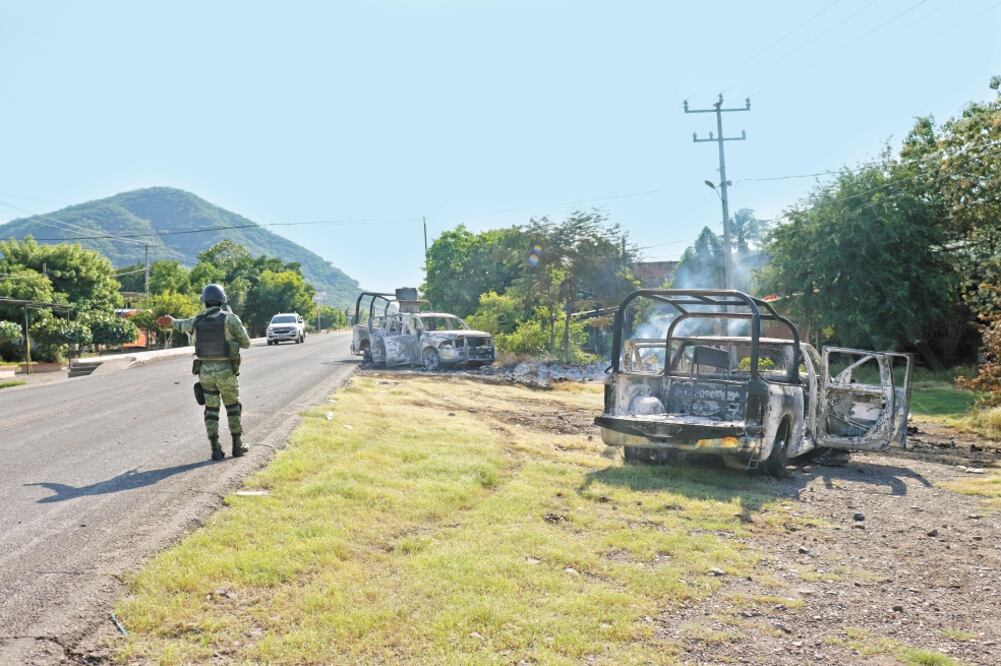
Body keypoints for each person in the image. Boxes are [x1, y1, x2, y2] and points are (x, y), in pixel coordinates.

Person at [156, 284, 251, 461]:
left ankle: (215, 449)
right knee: (232, 408)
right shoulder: (230, 319)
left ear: (204, 302)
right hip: (226, 371)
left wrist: (171, 321)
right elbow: (246, 343)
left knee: (211, 410)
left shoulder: (196, 321)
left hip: (205, 372)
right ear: (222, 300)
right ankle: (237, 446)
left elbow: (178, 324)